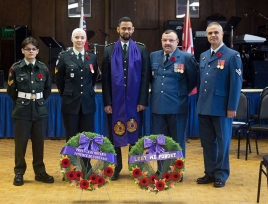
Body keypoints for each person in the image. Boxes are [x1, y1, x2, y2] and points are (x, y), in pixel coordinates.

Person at [102, 16, 150, 180]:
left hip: (135, 101)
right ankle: (115, 168)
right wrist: (107, 102)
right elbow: (106, 80)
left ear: (133, 30)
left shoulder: (141, 49)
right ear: (118, 30)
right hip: (115, 102)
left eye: (129, 28)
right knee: (113, 134)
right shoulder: (108, 50)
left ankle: (135, 167)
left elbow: (145, 77)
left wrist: (143, 100)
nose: (126, 31)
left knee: (135, 135)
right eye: (123, 28)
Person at [196, 22, 243, 187]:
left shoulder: (232, 55)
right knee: (207, 143)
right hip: (204, 107)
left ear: (223, 34)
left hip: (222, 108)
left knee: (223, 143)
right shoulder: (203, 56)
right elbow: (201, 82)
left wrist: (232, 107)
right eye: (210, 33)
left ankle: (221, 175)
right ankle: (209, 172)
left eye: (216, 32)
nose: (213, 36)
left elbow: (236, 84)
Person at [7, 37, 54, 186]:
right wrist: (23, 101)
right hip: (22, 111)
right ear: (22, 50)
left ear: (38, 51)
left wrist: (38, 101)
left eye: (33, 49)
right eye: (28, 49)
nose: (31, 51)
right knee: (20, 145)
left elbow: (47, 89)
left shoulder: (43, 68)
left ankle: (39, 172)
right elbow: (11, 90)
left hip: (39, 111)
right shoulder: (16, 68)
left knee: (39, 143)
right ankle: (19, 173)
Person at [150, 29, 198, 160]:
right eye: (165, 40)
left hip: (177, 106)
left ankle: (176, 171)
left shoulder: (186, 58)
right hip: (158, 106)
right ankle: (161, 170)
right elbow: (150, 79)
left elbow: (194, 79)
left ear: (177, 42)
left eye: (171, 40)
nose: (167, 43)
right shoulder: (153, 56)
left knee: (177, 141)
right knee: (160, 141)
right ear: (161, 41)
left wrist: (180, 93)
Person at [55, 28, 98, 171]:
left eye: (82, 38)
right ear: (72, 39)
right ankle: (71, 166)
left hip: (87, 103)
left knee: (87, 137)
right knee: (71, 136)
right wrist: (67, 94)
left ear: (86, 40)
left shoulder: (91, 57)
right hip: (70, 103)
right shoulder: (64, 56)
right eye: (77, 37)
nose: (79, 40)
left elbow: (93, 78)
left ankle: (86, 164)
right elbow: (59, 80)